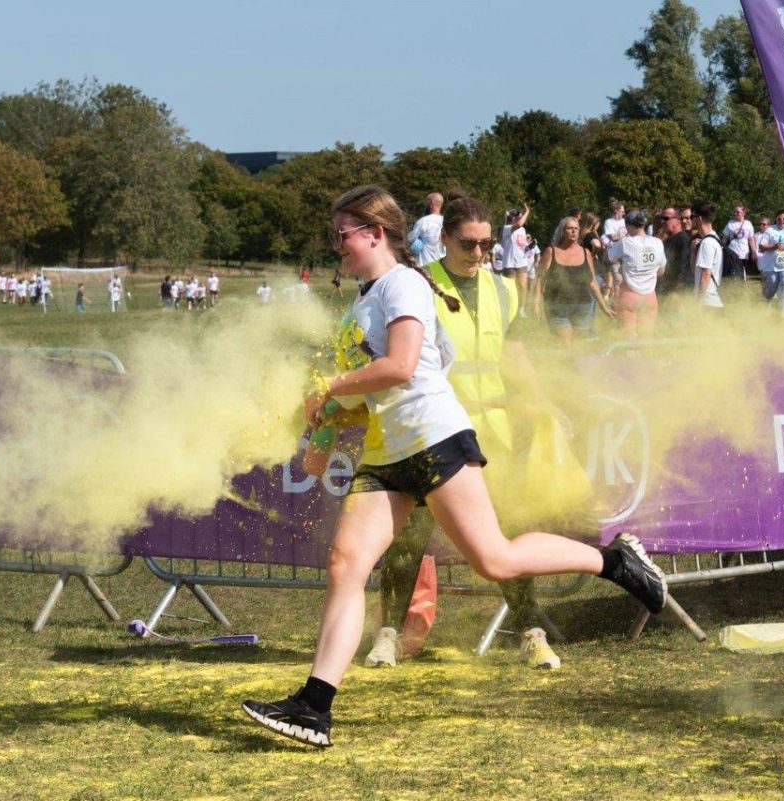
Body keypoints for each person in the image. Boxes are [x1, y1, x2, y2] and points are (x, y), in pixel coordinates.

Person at [241, 185, 668, 748]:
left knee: (495, 558)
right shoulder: (360, 303)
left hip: (434, 438)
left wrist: (333, 386)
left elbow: (400, 366)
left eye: (342, 233)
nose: (335, 243)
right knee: (346, 564)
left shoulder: (404, 285)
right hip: (386, 453)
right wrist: (320, 424)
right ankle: (314, 708)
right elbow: (359, 394)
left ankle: (615, 561)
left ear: (374, 233)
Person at [363, 192, 565, 671]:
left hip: (490, 431)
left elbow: (514, 355)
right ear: (445, 238)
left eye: (486, 244)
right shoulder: (415, 284)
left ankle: (531, 633)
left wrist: (540, 402)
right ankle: (387, 636)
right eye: (468, 244)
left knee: (505, 534)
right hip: (429, 428)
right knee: (409, 536)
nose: (478, 254)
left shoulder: (504, 289)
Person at [533, 216, 615, 346]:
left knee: (580, 346)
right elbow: (539, 278)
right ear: (562, 231)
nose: (574, 231)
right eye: (569, 228)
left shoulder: (585, 253)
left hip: (582, 307)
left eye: (576, 228)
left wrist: (603, 306)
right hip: (557, 307)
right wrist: (536, 302)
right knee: (566, 345)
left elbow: (592, 282)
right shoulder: (551, 252)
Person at [608, 211, 666, 339]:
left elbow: (608, 258)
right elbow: (661, 271)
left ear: (628, 226)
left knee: (628, 338)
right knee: (647, 338)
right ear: (644, 224)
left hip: (629, 295)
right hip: (650, 296)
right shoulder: (657, 243)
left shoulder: (625, 242)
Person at [756, 211, 784, 317]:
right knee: (772, 289)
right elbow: (761, 247)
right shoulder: (770, 230)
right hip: (771, 265)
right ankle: (764, 306)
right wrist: (774, 247)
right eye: (779, 219)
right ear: (776, 219)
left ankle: (782, 313)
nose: (782, 221)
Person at [499, 203, 531, 316]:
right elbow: (519, 223)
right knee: (510, 289)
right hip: (509, 263)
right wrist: (527, 211)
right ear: (511, 218)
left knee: (523, 287)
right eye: (516, 216)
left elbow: (523, 246)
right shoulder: (507, 228)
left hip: (521, 262)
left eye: (519, 215)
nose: (519, 217)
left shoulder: (522, 230)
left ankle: (521, 310)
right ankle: (509, 310)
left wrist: (529, 247)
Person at [693, 201, 724, 312]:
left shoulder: (707, 243)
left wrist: (699, 303)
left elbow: (706, 273)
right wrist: (693, 250)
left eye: (693, 216)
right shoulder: (714, 239)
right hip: (712, 301)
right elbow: (696, 271)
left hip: (708, 302)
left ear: (699, 219)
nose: (690, 220)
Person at [406, 192, 446, 267]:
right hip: (442, 264)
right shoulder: (446, 222)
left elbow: (410, 239)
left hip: (425, 264)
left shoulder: (423, 221)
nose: (425, 205)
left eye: (427, 202)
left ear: (431, 203)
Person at [720, 204, 755, 282]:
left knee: (743, 272)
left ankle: (742, 286)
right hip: (732, 253)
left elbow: (751, 239)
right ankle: (733, 286)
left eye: (738, 212)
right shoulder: (730, 223)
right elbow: (725, 237)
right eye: (734, 212)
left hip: (744, 253)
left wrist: (753, 252)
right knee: (733, 272)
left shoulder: (748, 224)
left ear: (743, 213)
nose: (735, 213)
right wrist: (720, 247)